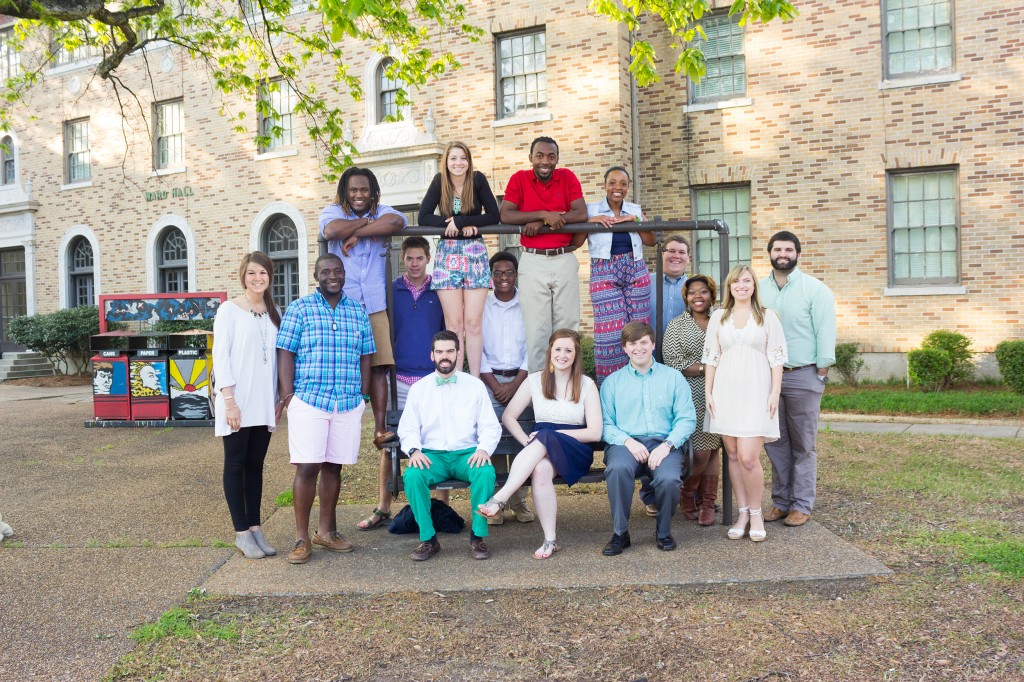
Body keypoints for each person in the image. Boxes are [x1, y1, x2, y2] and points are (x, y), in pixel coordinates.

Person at [276, 254, 375, 564]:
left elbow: (367, 355)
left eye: (337, 271)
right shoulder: (300, 308)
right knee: (307, 466)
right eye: (326, 271)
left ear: (344, 274)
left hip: (346, 401)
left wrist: (362, 394)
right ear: (316, 276)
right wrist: (289, 395)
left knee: (334, 466)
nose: (333, 276)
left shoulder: (358, 311)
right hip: (309, 399)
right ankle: (301, 539)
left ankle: (325, 533)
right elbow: (285, 352)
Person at [478, 330, 602, 558]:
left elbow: (595, 433)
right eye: (558, 349)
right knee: (541, 469)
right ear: (550, 351)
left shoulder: (586, 385)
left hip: (575, 450)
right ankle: (550, 540)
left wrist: (552, 435)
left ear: (575, 355)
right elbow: (509, 416)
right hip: (541, 449)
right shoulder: (535, 380)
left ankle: (500, 498)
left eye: (568, 350)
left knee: (545, 434)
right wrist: (526, 440)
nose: (562, 355)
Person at [356, 237, 445, 532]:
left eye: (420, 258)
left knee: (438, 441)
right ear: (402, 259)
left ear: (428, 258)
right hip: (399, 379)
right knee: (391, 444)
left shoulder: (440, 289)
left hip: (433, 379)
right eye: (410, 258)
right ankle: (383, 506)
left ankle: (441, 507)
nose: (415, 264)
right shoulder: (390, 291)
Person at [319, 167, 406, 451]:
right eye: (353, 190)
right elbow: (331, 230)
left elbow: (397, 221)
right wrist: (366, 225)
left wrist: (360, 230)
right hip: (344, 306)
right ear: (345, 191)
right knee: (346, 367)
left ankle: (380, 428)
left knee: (380, 366)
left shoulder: (382, 210)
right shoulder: (333, 211)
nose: (359, 195)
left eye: (364, 190)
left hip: (375, 304)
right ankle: (343, 427)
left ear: (373, 192)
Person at [398, 331, 501, 562]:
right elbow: (407, 428)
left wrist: (483, 449)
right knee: (413, 476)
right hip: (432, 456)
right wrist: (414, 450)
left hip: (466, 454)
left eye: (450, 351)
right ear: (432, 355)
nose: (445, 356)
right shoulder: (419, 389)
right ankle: (429, 539)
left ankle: (477, 537)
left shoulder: (474, 386)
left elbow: (490, 426)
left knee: (485, 472)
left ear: (458, 354)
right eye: (440, 352)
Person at [703, 265, 788, 543]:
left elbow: (776, 358)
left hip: (756, 392)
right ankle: (741, 513)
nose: (742, 285)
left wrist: (775, 392)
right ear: (729, 286)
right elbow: (712, 356)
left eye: (747, 281)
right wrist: (709, 392)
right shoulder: (719, 316)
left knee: (750, 457)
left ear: (754, 286)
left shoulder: (768, 317)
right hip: (726, 392)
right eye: (736, 281)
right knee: (734, 454)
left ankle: (756, 514)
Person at [759, 231, 836, 527]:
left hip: (803, 375)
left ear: (798, 254)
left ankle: (802, 504)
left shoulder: (815, 290)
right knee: (775, 442)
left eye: (788, 249)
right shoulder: (759, 290)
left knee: (804, 444)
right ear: (769, 253)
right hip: (767, 378)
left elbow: (825, 332)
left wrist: (821, 373)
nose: (782, 254)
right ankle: (780, 501)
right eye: (777, 249)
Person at [600, 321, 696, 555]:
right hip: (626, 443)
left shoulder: (673, 378)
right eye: (633, 343)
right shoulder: (613, 382)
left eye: (644, 342)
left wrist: (668, 445)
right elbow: (605, 424)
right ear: (625, 348)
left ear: (652, 344)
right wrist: (628, 442)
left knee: (669, 479)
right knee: (618, 469)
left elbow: (686, 419)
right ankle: (620, 533)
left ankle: (663, 532)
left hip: (665, 443)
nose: (638, 348)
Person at [212, 251, 281, 559]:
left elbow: (279, 358)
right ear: (243, 276)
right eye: (252, 273)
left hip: (263, 400)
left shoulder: (274, 311)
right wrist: (229, 401)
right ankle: (241, 532)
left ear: (270, 276)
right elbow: (220, 357)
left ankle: (255, 528)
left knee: (255, 467)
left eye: (263, 273)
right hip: (237, 400)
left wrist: (280, 398)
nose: (257, 278)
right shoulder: (229, 310)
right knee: (236, 464)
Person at [499, 136, 588, 372]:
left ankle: (568, 389)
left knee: (567, 329)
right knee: (536, 332)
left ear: (557, 159)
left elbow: (580, 213)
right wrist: (542, 215)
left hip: (564, 258)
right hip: (533, 260)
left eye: (551, 156)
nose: (545, 161)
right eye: (539, 156)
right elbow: (506, 215)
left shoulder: (567, 177)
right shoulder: (519, 179)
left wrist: (543, 222)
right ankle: (540, 395)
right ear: (531, 158)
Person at [418, 141, 501, 376]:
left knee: (473, 323)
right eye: (453, 158)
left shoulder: (478, 180)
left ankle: (474, 380)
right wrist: (449, 226)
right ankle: (454, 376)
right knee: (454, 325)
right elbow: (424, 216)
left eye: (463, 158)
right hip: (447, 255)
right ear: (446, 161)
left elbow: (494, 215)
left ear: (469, 160)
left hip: (474, 254)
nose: (458, 163)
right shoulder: (439, 182)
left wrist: (463, 222)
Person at [479, 251, 534, 525]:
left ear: (516, 274)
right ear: (491, 276)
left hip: (522, 380)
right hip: (489, 380)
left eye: (509, 272)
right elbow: (476, 347)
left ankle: (519, 501)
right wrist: (494, 383)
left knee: (521, 439)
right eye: (498, 273)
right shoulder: (482, 304)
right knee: (494, 440)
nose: (504, 278)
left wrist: (515, 383)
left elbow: (534, 344)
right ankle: (496, 502)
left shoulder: (528, 302)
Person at [662, 274, 722, 526]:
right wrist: (709, 368)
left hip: (722, 391)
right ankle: (687, 495)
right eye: (692, 292)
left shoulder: (722, 320)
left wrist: (714, 371)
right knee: (699, 452)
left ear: (711, 295)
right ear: (686, 297)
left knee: (714, 447)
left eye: (703, 291)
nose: (698, 296)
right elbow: (673, 361)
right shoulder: (677, 325)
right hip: (691, 393)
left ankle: (707, 503)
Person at [586, 166, 655, 383]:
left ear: (628, 187)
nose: (618, 188)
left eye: (623, 184)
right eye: (613, 183)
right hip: (604, 269)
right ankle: (610, 388)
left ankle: (642, 382)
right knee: (610, 333)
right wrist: (590, 222)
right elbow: (575, 240)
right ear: (605, 185)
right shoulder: (591, 209)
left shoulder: (634, 209)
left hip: (635, 267)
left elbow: (651, 241)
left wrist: (634, 220)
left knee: (639, 331)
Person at [651, 235, 691, 333]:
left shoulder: (693, 287)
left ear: (688, 258)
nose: (676, 256)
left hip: (681, 348)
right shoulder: (644, 283)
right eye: (672, 251)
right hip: (647, 347)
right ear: (661, 254)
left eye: (682, 252)